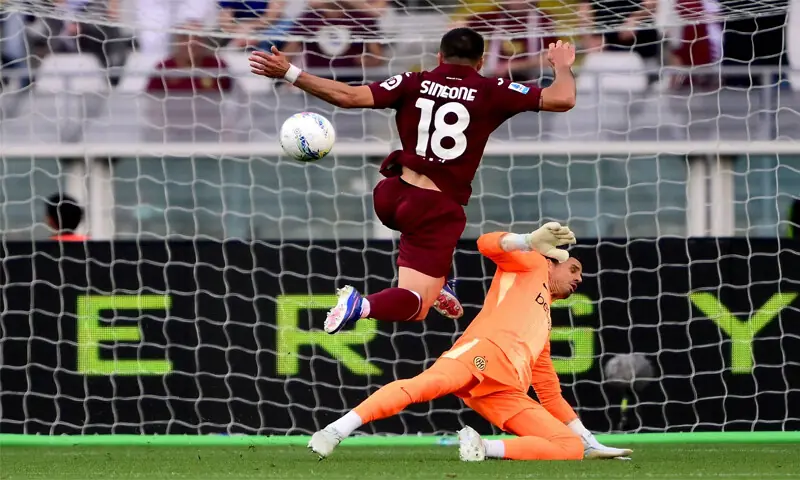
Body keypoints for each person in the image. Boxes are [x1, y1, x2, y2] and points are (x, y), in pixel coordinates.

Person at [249, 28, 576, 333]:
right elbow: (563, 99)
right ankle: (360, 305)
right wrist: (561, 66)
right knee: (417, 304)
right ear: (480, 62)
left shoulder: (412, 81)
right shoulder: (493, 90)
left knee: (434, 244)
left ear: (439, 57)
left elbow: (348, 97)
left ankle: (442, 281)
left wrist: (290, 72)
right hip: (432, 209)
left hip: (391, 195)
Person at [307, 223, 632, 461]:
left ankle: (481, 447)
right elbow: (487, 243)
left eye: (580, 276)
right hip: (482, 352)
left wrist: (590, 441)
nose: (578, 278)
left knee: (570, 447)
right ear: (553, 260)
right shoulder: (531, 263)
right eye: (574, 269)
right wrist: (529, 241)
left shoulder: (544, 323)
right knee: (423, 387)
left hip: (505, 390)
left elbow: (549, 392)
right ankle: (336, 430)